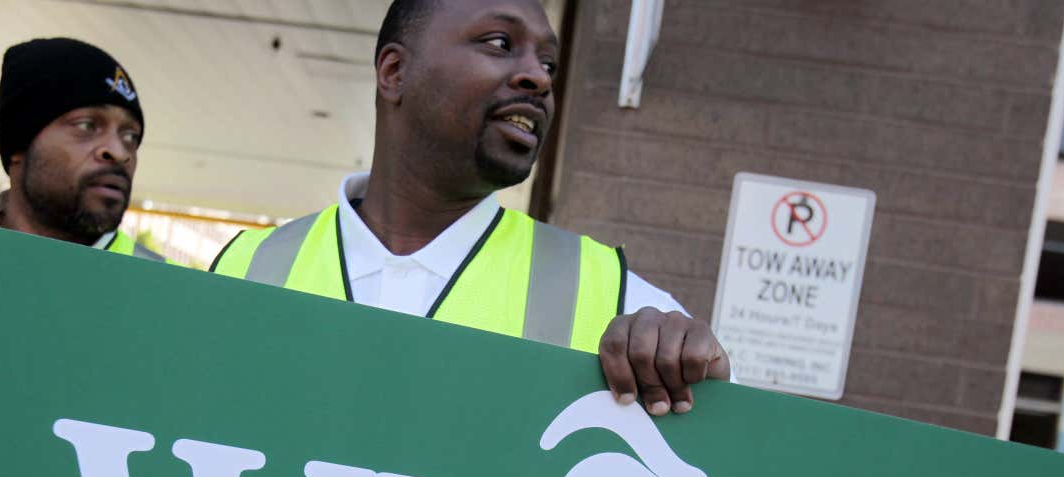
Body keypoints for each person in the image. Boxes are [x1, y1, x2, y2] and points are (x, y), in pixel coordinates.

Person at [211, 0, 729, 415]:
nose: (541, 78)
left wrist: (697, 366)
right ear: (394, 71)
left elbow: (734, 453)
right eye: (500, 43)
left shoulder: (613, 296)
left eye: (548, 63)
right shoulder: (242, 266)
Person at [0, 37, 164, 262]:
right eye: (87, 125)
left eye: (130, 136)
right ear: (18, 143)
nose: (120, 152)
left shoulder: (173, 290)